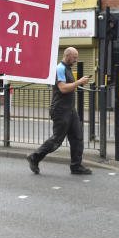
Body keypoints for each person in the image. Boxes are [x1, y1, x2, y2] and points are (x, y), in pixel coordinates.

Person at [27, 47, 91, 175]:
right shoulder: (59, 69)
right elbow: (63, 88)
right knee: (57, 140)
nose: (75, 60)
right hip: (60, 110)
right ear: (67, 56)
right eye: (74, 57)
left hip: (70, 110)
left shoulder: (67, 69)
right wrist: (79, 82)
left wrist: (77, 82)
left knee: (77, 138)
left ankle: (76, 166)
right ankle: (34, 157)